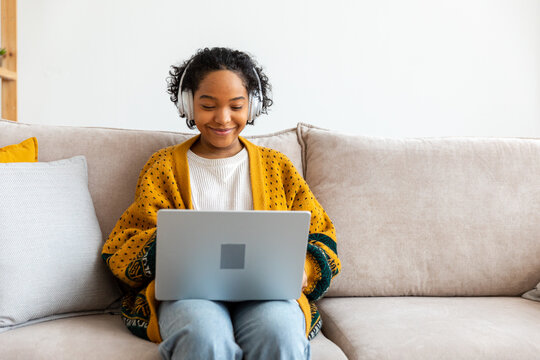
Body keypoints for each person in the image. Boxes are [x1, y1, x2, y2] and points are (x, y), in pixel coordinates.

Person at [101, 47, 341, 360]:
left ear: (252, 106)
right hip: (190, 296)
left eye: (236, 106)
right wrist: (167, 245)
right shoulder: (163, 167)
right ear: (188, 104)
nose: (223, 118)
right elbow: (126, 243)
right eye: (208, 105)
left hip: (266, 295)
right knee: (203, 337)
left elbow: (321, 233)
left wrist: (304, 268)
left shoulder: (277, 166)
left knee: (280, 334)